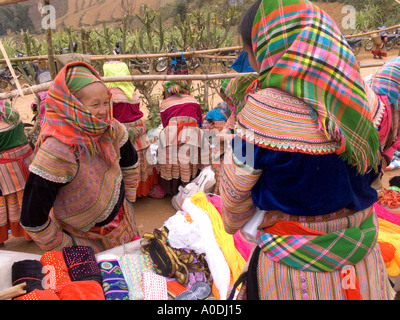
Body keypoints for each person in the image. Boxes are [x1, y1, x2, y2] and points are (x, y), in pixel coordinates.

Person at [220, 0, 394, 300]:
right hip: (363, 267)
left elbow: (234, 209)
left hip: (293, 278)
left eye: (250, 51)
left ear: (265, 47)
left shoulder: (261, 113)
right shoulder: (365, 101)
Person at [20, 61, 140, 253]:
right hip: (84, 240)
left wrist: (128, 199)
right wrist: (66, 247)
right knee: (99, 282)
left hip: (122, 222)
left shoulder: (109, 128)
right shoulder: (56, 152)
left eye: (106, 103)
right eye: (95, 105)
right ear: (72, 106)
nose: (103, 111)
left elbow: (129, 160)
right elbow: (32, 217)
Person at [103, 61, 158, 199]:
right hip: (137, 132)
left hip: (120, 133)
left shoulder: (108, 93)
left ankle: (122, 193)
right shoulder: (131, 91)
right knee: (139, 160)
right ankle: (140, 191)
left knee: (123, 162)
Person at [157, 80, 210, 195]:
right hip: (193, 134)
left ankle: (171, 189)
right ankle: (191, 185)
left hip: (171, 134)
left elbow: (165, 123)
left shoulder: (165, 103)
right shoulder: (193, 101)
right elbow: (199, 120)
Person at [0, 100, 34, 246]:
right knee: (25, 198)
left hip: (7, 166)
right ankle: (31, 233)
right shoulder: (8, 108)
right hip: (23, 161)